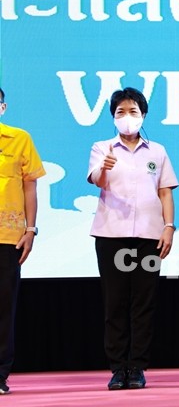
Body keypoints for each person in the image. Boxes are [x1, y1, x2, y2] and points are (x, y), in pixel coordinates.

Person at [87, 87, 178, 390]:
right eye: (120, 112)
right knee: (115, 303)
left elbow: (165, 191)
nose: (127, 118)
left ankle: (137, 367)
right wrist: (104, 168)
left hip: (149, 236)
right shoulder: (102, 148)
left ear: (143, 115)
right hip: (111, 235)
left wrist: (169, 227)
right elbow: (98, 181)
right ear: (113, 117)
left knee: (144, 302)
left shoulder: (158, 151)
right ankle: (117, 368)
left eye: (133, 112)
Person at [0, 87, 46, 395]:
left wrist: (31, 229)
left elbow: (30, 187)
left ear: (2, 107)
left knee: (3, 308)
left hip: (8, 236)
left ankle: (0, 373)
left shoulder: (19, 139)